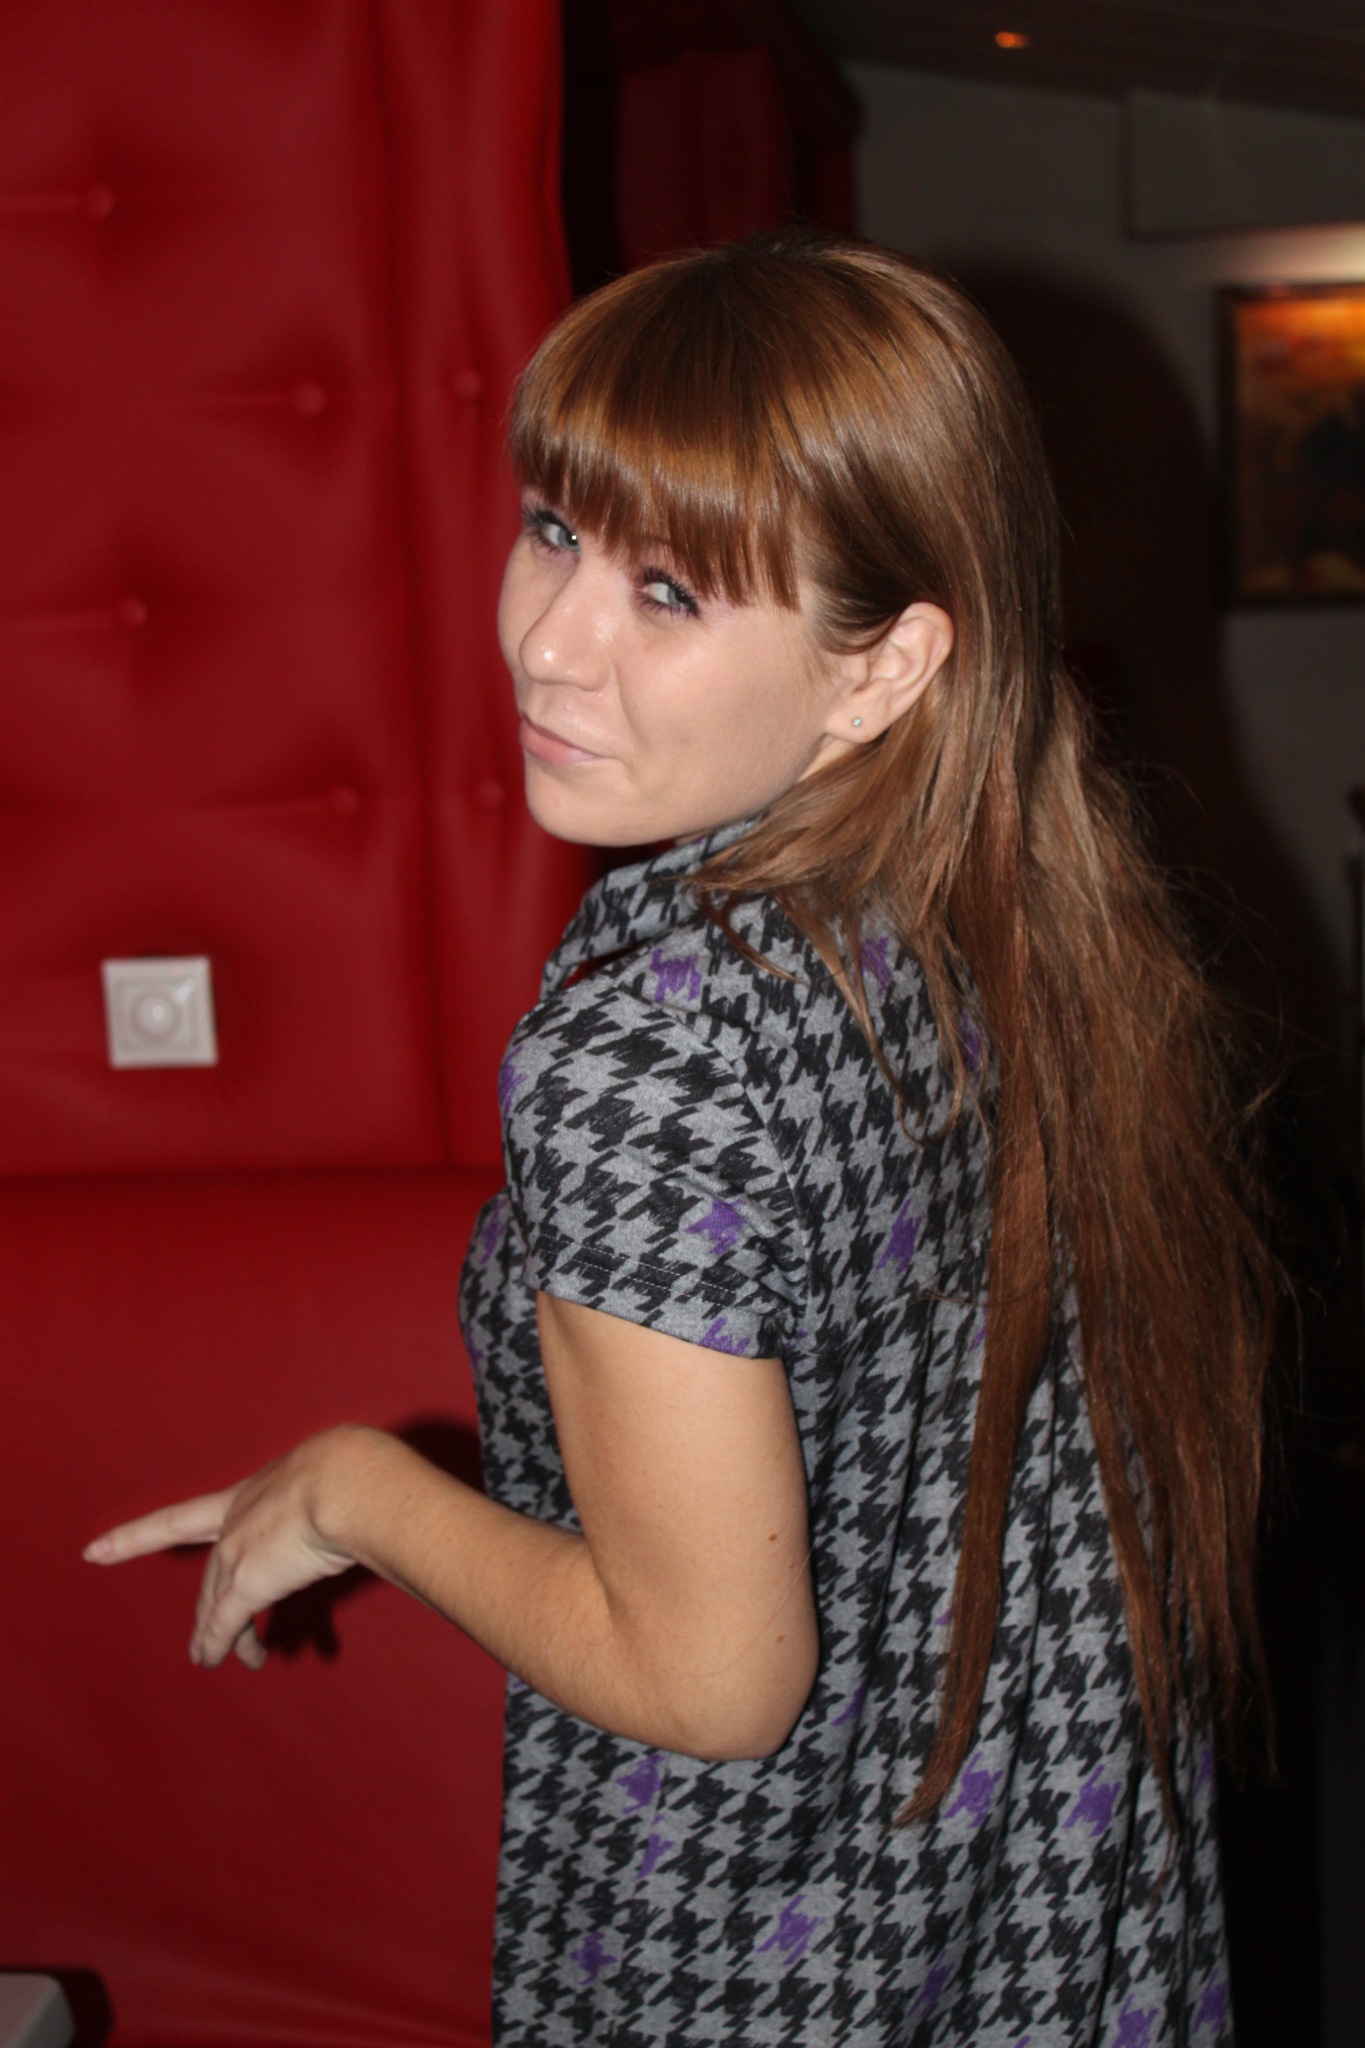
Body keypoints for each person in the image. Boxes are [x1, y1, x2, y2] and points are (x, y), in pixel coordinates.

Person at [86, 233, 1271, 2046]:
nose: (547, 641)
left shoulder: (643, 1048)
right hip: (1029, 1886)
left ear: (883, 669)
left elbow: (710, 1680)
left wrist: (352, 1490)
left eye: (667, 591)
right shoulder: (1012, 913)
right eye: (554, 531)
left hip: (766, 1935)